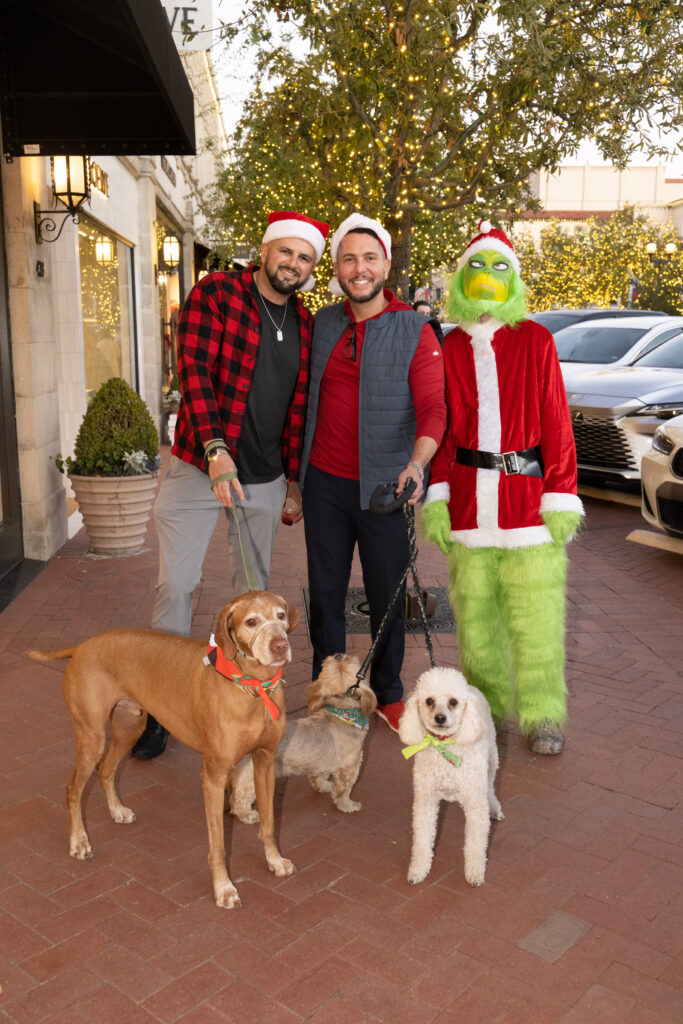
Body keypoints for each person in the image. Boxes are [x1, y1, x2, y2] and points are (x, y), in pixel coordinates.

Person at [133, 210, 330, 759]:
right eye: (286, 251)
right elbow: (191, 370)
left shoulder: (306, 323)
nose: (293, 263)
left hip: (265, 479)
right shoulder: (217, 294)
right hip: (201, 467)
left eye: (305, 257)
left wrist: (292, 477)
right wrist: (217, 450)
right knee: (177, 588)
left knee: (255, 599)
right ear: (266, 251)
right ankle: (159, 710)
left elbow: (296, 408)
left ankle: (250, 703)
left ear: (312, 267)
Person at [421, 220, 584, 755]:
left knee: (537, 622)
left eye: (498, 267)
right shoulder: (448, 347)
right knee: (477, 624)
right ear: (461, 280)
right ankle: (483, 711)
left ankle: (542, 715)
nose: (486, 276)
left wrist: (560, 494)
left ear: (511, 279)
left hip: (529, 508)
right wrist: (438, 499)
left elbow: (558, 424)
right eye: (477, 267)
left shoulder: (535, 339)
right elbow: (441, 432)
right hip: (468, 506)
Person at [299, 213, 447, 733]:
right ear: (336, 267)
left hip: (387, 487)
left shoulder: (415, 328)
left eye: (369, 258)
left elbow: (434, 408)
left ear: (385, 263)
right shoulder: (323, 323)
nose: (359, 269)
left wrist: (416, 464)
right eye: (348, 259)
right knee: (326, 595)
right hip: (325, 484)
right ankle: (331, 687)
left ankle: (386, 692)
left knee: (386, 595)